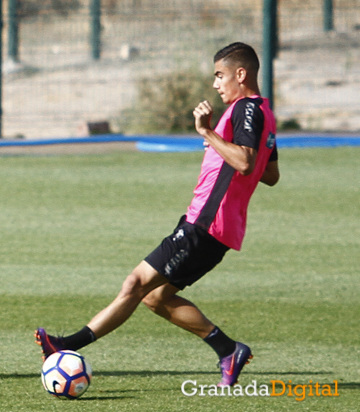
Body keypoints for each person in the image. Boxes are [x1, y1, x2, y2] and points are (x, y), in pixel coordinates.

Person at [35, 42, 279, 387]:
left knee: (134, 284)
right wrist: (223, 143)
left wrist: (207, 132)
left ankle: (64, 346)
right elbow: (270, 174)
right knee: (154, 297)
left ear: (241, 74)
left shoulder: (247, 109)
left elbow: (245, 162)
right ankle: (228, 350)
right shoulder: (264, 112)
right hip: (216, 225)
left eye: (220, 75)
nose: (215, 84)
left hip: (208, 222)